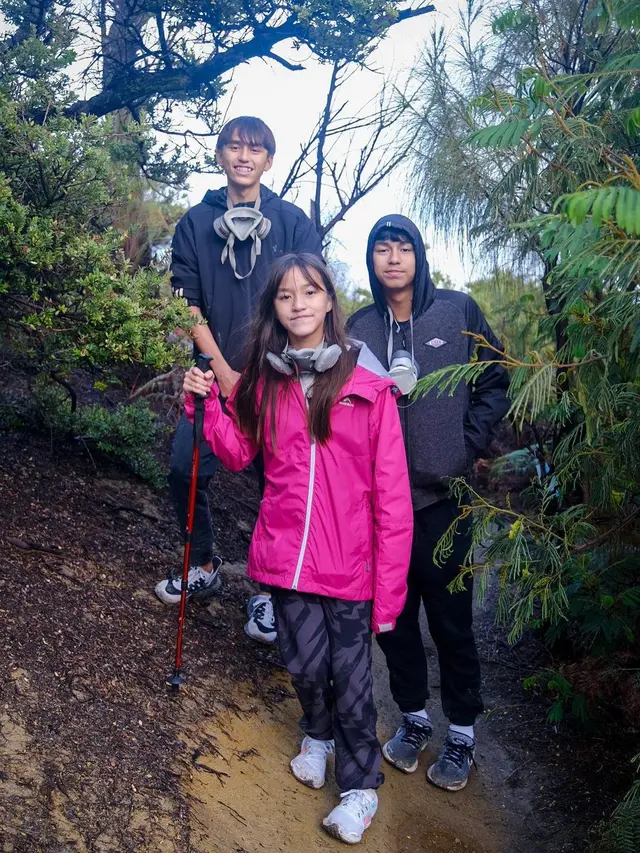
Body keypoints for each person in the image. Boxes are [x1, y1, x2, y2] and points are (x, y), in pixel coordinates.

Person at [182, 252, 413, 844]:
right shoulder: (267, 382)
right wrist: (204, 404)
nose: (298, 304)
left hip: (350, 568)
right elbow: (237, 453)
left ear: (329, 301)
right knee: (305, 667)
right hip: (287, 559)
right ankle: (317, 734)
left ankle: (360, 789)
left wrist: (389, 593)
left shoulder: (369, 390)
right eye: (285, 296)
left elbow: (392, 499)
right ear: (274, 309)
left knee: (352, 681)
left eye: (309, 292)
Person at [347, 215, 510, 792]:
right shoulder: (359, 327)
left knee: (450, 620)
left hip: (446, 500)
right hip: (381, 506)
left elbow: (494, 380)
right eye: (381, 248)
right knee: (392, 621)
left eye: (403, 248)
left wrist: (467, 445)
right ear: (371, 260)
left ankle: (461, 730)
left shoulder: (457, 311)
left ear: (419, 255)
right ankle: (414, 718)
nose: (393, 258)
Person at [154, 117, 323, 645]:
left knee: (278, 485)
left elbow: (311, 296)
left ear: (269, 160)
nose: (243, 156)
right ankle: (202, 564)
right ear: (220, 156)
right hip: (212, 376)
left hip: (282, 380)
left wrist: (273, 371)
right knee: (185, 468)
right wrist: (223, 371)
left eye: (255, 149)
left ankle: (270, 593)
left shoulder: (291, 222)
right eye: (233, 146)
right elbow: (186, 303)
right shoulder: (195, 223)